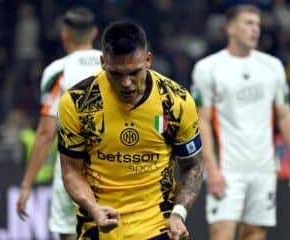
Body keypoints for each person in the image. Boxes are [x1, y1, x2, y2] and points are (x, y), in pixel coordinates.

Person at [57, 21, 203, 240]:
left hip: (158, 227)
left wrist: (178, 214)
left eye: (134, 72)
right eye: (116, 74)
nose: (126, 83)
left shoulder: (175, 101)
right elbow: (71, 171)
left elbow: (192, 167)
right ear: (102, 62)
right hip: (99, 228)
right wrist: (94, 209)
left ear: (148, 60)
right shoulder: (78, 103)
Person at [191, 4, 290, 240]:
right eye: (248, 23)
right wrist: (211, 169)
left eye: (258, 25)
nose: (255, 29)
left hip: (264, 168)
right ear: (230, 28)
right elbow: (201, 121)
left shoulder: (272, 66)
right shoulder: (208, 68)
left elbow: (285, 115)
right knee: (221, 233)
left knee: (255, 234)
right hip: (227, 169)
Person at [16, 7, 101, 240]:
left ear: (65, 34)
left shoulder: (58, 71)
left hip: (71, 173)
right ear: (94, 33)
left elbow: (45, 133)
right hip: (111, 171)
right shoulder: (112, 66)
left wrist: (26, 185)